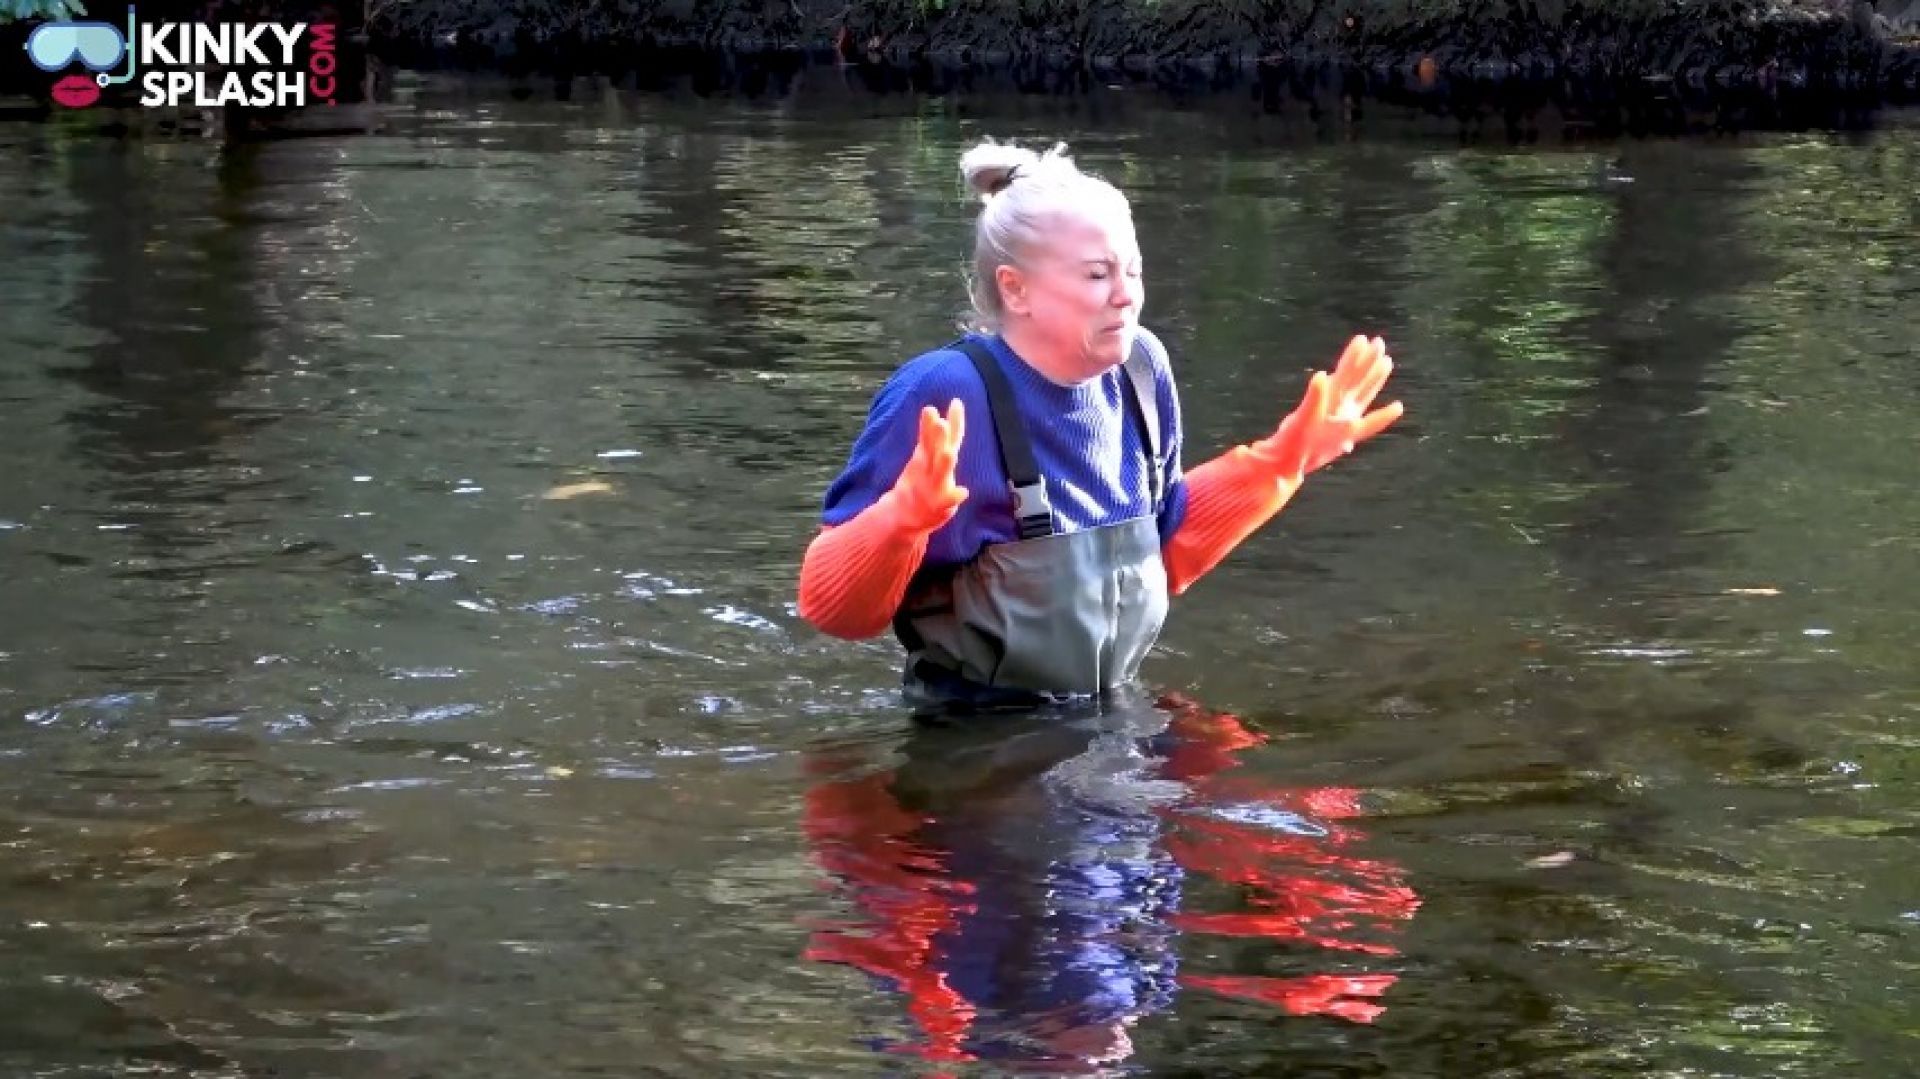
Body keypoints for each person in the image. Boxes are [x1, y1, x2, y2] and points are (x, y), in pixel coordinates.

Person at [797, 139, 1402, 710]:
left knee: (1295, 815)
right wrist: (898, 522)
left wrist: (1280, 463)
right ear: (1017, 289)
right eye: (1097, 274)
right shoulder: (946, 392)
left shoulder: (1141, 370)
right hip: (975, 740)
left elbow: (1161, 557)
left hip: (1111, 713)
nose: (1125, 296)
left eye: (1133, 271)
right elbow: (833, 609)